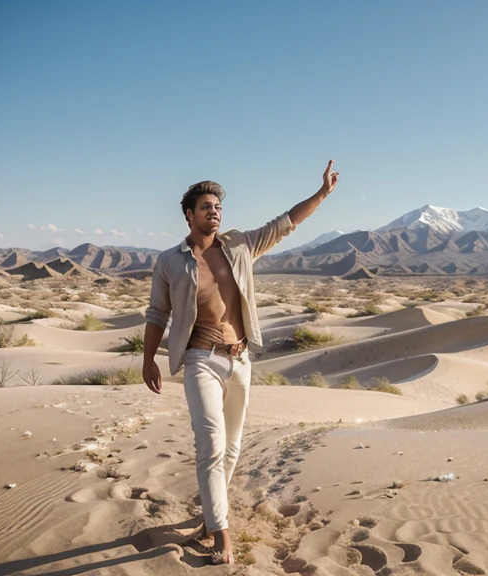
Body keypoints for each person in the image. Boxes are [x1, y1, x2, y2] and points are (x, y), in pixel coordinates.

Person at [142, 160, 340, 563]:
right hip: (200, 360)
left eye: (217, 207)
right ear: (188, 215)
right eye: (205, 207)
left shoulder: (240, 245)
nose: (214, 212)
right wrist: (148, 360)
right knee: (211, 445)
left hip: (241, 359)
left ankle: (210, 519)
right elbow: (156, 315)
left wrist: (321, 194)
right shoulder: (169, 261)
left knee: (231, 450)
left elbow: (286, 222)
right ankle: (222, 535)